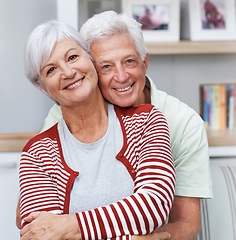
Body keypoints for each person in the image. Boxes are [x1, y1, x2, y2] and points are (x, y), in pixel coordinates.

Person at [35, 11, 213, 240]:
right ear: (91, 70)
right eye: (106, 66)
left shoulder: (183, 122)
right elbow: (30, 215)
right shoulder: (63, 116)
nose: (121, 76)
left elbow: (188, 224)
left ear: (144, 62)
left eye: (129, 61)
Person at [19, 20, 175, 240]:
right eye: (51, 69)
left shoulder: (147, 121)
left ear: (90, 59)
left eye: (72, 57)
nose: (68, 72)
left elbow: (153, 205)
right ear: (42, 86)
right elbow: (40, 235)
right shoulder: (37, 154)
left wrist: (71, 225)